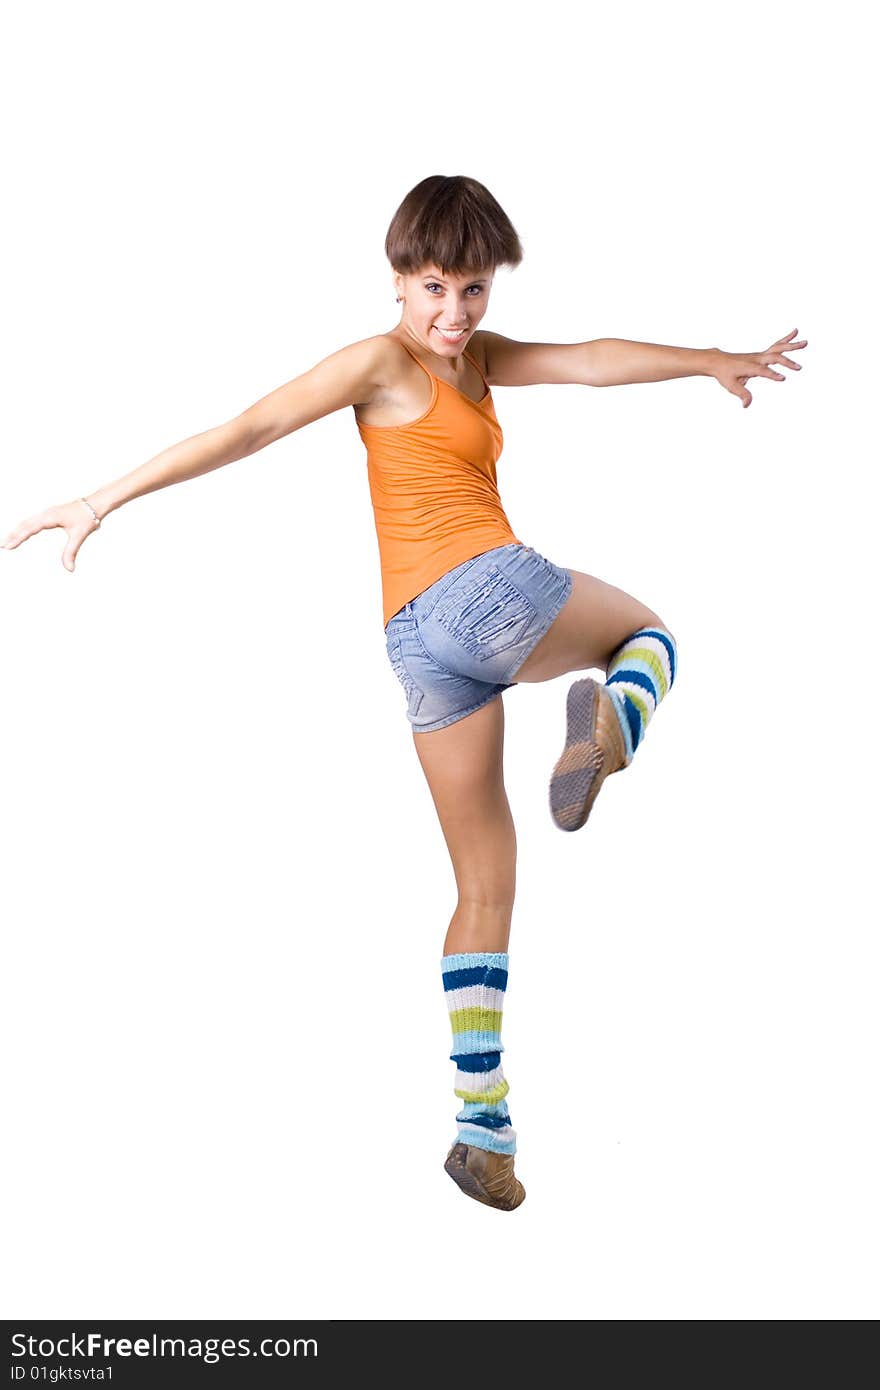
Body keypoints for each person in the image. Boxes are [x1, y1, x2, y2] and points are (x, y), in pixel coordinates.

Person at [1, 174, 807, 1213]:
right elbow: (248, 428)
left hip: (418, 647)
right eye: (433, 287)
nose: (454, 314)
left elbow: (592, 359)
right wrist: (100, 498)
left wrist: (706, 360)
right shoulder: (379, 361)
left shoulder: (479, 359)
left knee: (485, 887)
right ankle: (607, 727)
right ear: (394, 280)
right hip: (483, 594)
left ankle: (483, 1129)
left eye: (473, 290)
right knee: (647, 635)